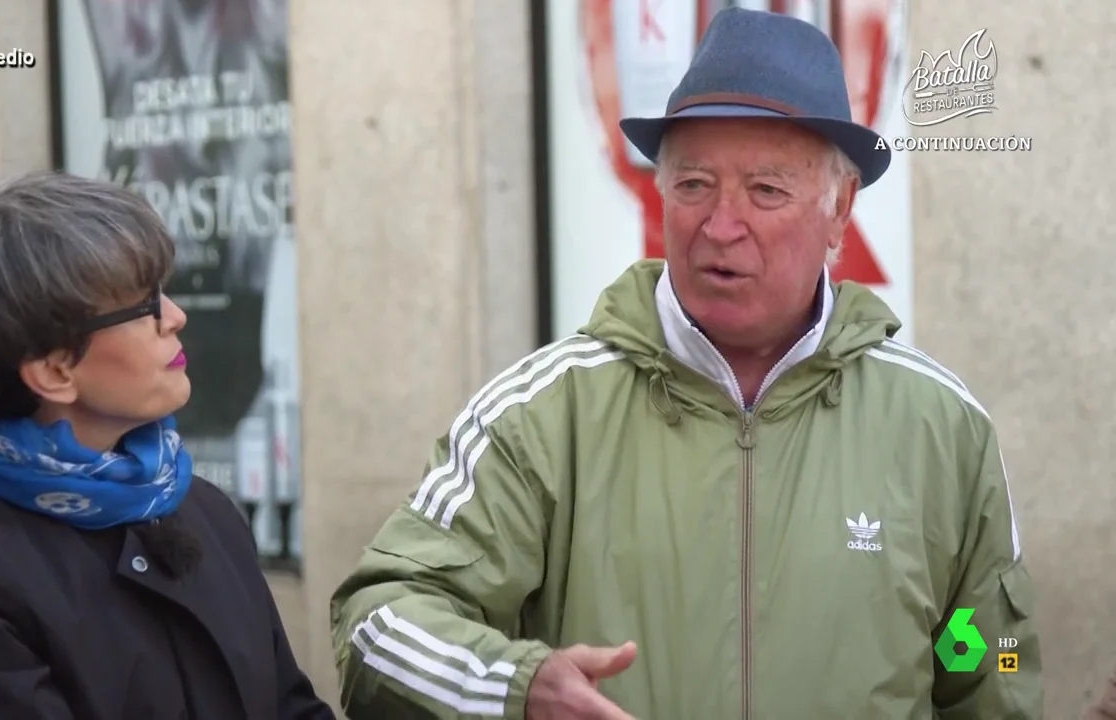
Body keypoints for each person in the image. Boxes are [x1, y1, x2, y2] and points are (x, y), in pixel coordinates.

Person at [330, 8, 1041, 719]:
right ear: (661, 191)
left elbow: (987, 653)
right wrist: (515, 686)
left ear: (839, 207)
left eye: (766, 190)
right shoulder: (544, 417)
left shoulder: (940, 429)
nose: (721, 225)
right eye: (695, 184)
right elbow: (377, 622)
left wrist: (983, 661)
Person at [0, 171, 336, 720]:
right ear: (54, 370)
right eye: (144, 305)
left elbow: (290, 707)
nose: (175, 317)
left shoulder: (199, 509)